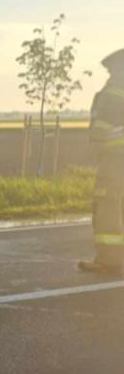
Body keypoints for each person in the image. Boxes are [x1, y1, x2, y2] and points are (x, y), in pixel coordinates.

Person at [79, 47, 124, 275]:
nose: (109, 73)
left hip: (116, 158)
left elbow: (103, 123)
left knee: (108, 205)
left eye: (111, 68)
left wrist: (97, 147)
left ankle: (110, 260)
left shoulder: (116, 88)